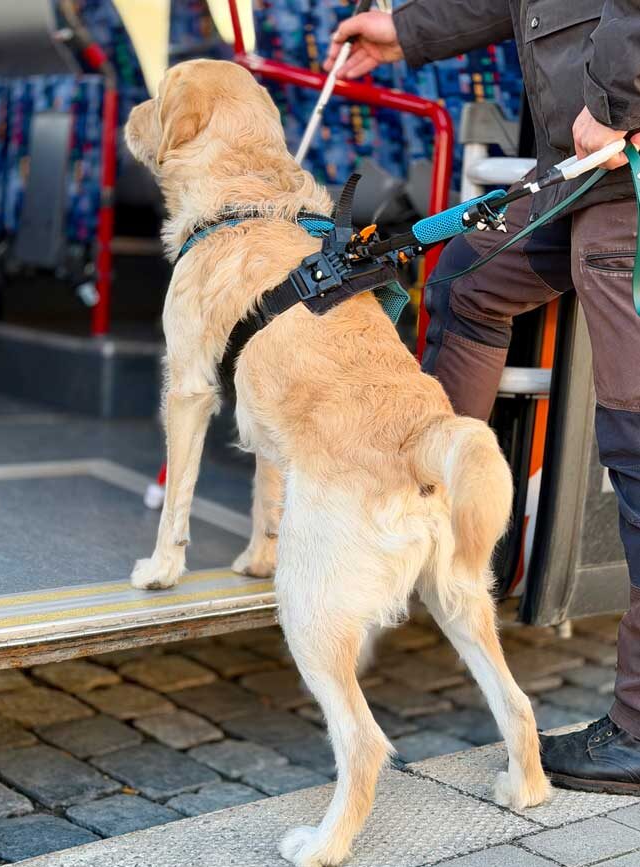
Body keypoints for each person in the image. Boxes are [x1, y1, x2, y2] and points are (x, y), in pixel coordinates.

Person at [326, 1, 640, 795]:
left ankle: (637, 731)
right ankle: (433, 503)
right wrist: (403, 29)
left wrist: (613, 106)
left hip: (621, 167)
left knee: (638, 451)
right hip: (581, 167)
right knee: (467, 275)